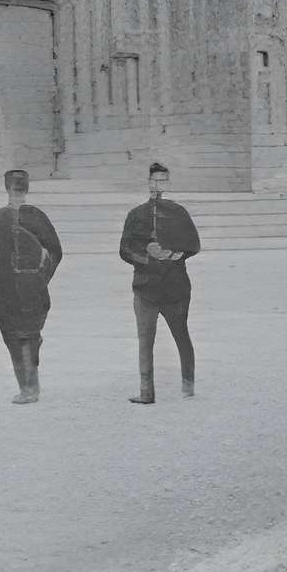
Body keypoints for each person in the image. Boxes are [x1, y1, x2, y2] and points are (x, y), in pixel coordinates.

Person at [0, 167, 62, 404]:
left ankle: (29, 389)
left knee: (26, 336)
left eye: (20, 188)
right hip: (11, 287)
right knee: (19, 337)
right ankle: (27, 387)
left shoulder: (34, 216)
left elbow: (54, 251)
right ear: (8, 189)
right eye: (15, 188)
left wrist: (40, 278)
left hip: (25, 287)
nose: (17, 192)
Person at [119, 159, 201, 404]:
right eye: (155, 180)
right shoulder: (136, 214)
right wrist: (146, 256)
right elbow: (124, 249)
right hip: (145, 287)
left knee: (181, 334)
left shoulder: (178, 212)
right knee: (145, 340)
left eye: (163, 180)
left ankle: (188, 384)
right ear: (148, 182)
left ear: (168, 183)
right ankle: (146, 392)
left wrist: (176, 254)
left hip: (175, 286)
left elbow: (194, 245)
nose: (158, 184)